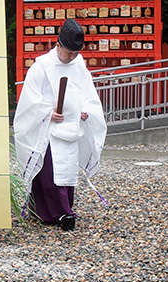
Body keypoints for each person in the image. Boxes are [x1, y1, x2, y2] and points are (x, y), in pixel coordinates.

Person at [13, 19, 107, 231]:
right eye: (68, 53)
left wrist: (86, 111)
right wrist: (47, 113)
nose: (71, 57)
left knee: (67, 170)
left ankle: (63, 209)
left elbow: (88, 94)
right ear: (58, 45)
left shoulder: (79, 65)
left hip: (71, 129)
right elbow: (30, 100)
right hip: (47, 130)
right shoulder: (41, 67)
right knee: (47, 174)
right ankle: (58, 213)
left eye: (75, 54)